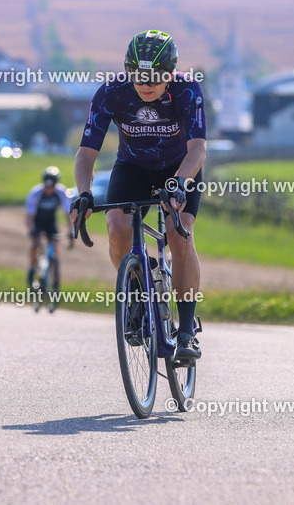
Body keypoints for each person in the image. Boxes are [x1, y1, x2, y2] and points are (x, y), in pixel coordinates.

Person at [69, 30, 207, 362]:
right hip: (132, 168)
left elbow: (198, 149)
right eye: (138, 75)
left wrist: (178, 183)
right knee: (117, 227)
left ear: (171, 72)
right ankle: (136, 291)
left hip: (180, 168)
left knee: (178, 234)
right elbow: (86, 154)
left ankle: (186, 332)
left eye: (157, 77)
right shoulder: (111, 93)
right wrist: (84, 193)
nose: (146, 84)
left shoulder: (187, 90)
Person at [25, 166, 73, 290]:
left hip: (50, 221)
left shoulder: (62, 192)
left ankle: (51, 275)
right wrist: (33, 231)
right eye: (47, 186)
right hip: (37, 221)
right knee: (36, 244)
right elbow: (30, 216)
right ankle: (31, 270)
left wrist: (70, 230)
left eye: (52, 186)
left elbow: (68, 214)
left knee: (54, 247)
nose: (49, 189)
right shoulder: (36, 193)